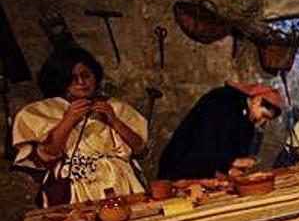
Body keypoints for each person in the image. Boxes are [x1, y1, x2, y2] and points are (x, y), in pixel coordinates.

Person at [12, 47, 147, 207]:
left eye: (86, 75)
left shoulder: (116, 107)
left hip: (123, 182)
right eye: (72, 78)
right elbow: (49, 152)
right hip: (73, 188)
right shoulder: (42, 111)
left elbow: (139, 147)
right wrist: (69, 120)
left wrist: (114, 120)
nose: (81, 83)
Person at [158, 81, 282, 180]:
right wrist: (231, 163)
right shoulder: (220, 101)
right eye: (264, 115)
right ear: (257, 100)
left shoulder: (248, 120)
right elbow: (202, 144)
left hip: (204, 174)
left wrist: (235, 168)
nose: (263, 122)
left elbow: (236, 153)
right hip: (180, 170)